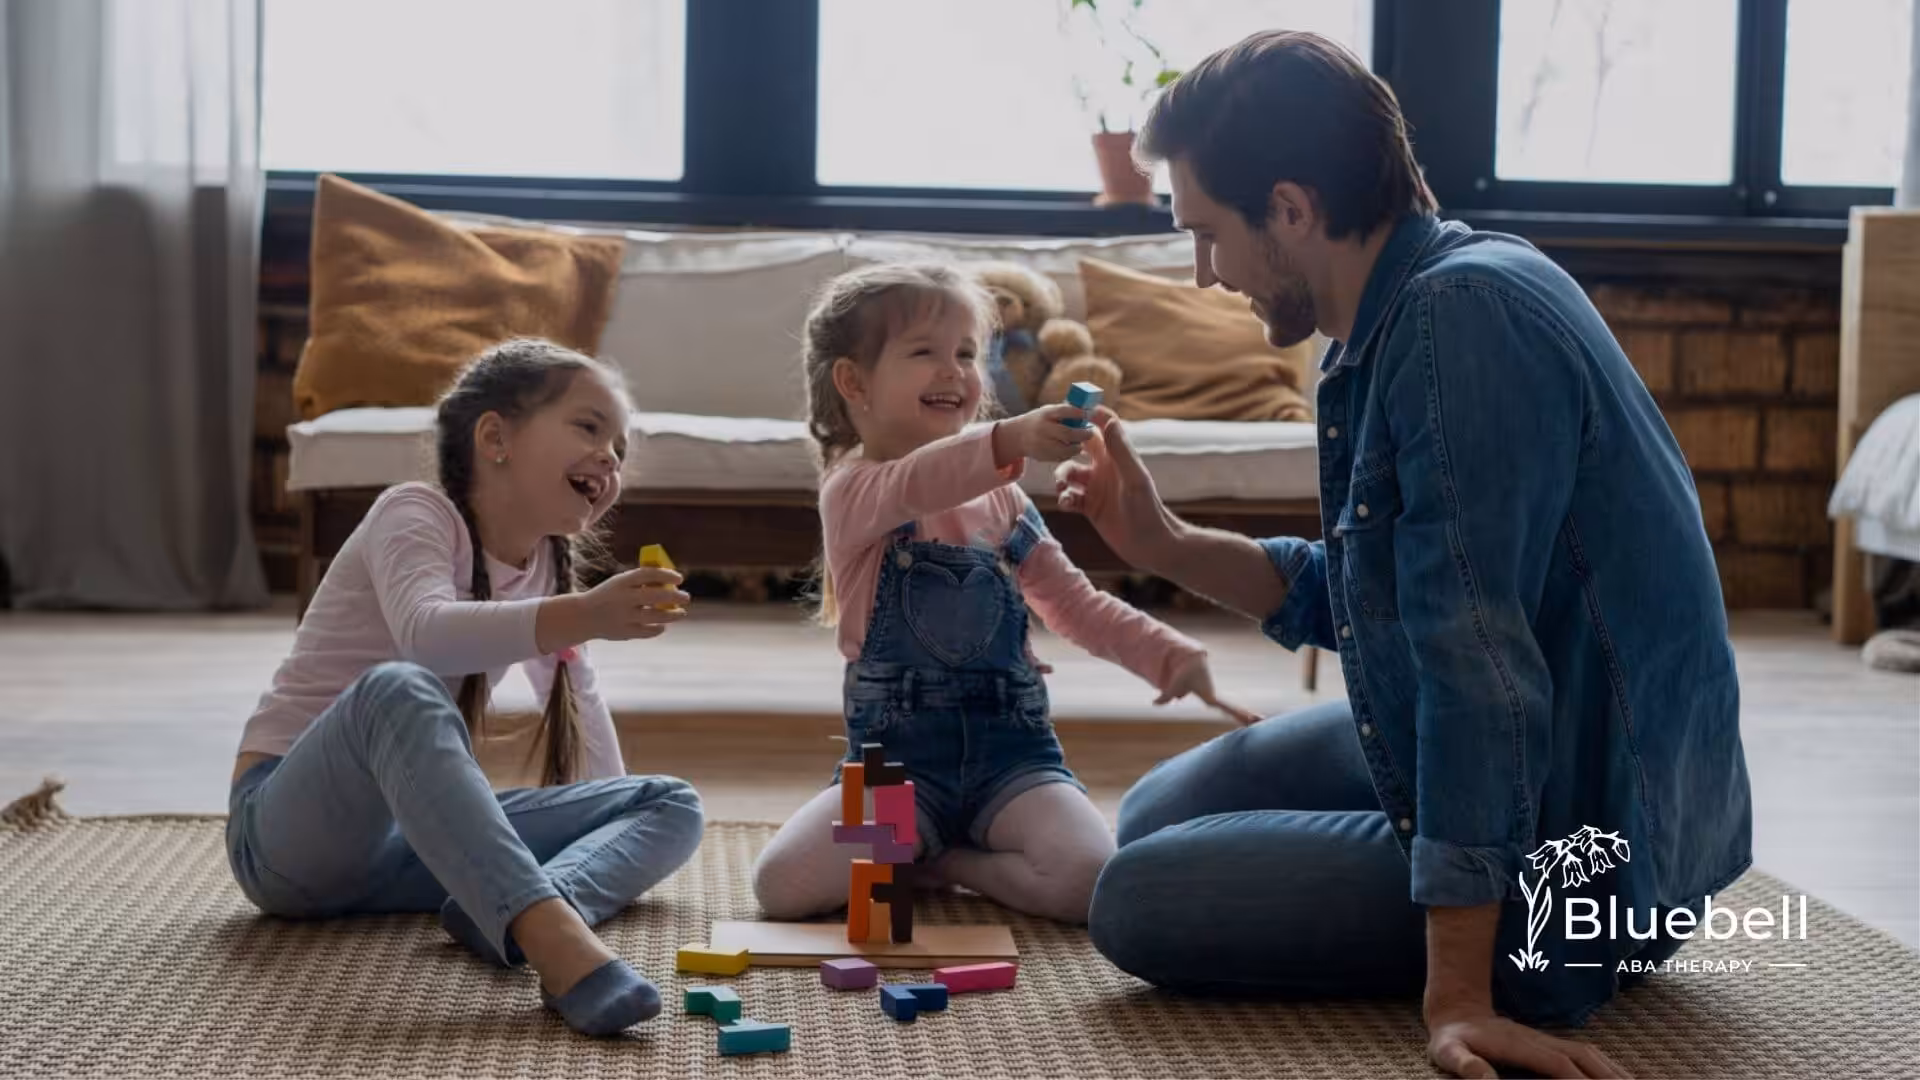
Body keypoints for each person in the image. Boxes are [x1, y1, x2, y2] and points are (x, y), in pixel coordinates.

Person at [1063, 31, 1751, 1080]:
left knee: (1137, 897)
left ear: (1290, 209)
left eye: (1207, 236)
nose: (1206, 275)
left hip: (1586, 846)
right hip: (1544, 755)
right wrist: (1160, 543)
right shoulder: (1406, 307)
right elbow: (1365, 599)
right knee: (1155, 815)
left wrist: (1460, 998)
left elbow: (1477, 670)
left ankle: (1514, 946)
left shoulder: (1456, 323)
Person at [750, 263, 1258, 925]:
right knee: (784, 887)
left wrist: (1170, 655)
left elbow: (1073, 602)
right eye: (924, 352)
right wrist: (1011, 437)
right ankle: (916, 842)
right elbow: (921, 480)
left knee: (1090, 881)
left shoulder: (1005, 499)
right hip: (896, 771)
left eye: (967, 354)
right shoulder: (854, 489)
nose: (953, 370)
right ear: (854, 382)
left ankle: (947, 862)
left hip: (1014, 763)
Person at [226, 339, 705, 1037]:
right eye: (588, 427)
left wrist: (598, 813)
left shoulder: (544, 564)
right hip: (284, 837)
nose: (609, 458)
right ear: (495, 438)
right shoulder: (414, 513)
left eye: (620, 449)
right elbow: (427, 634)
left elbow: (581, 703)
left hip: (415, 845)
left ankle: (507, 909)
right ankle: (552, 941)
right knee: (398, 687)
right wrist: (587, 613)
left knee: (669, 803)